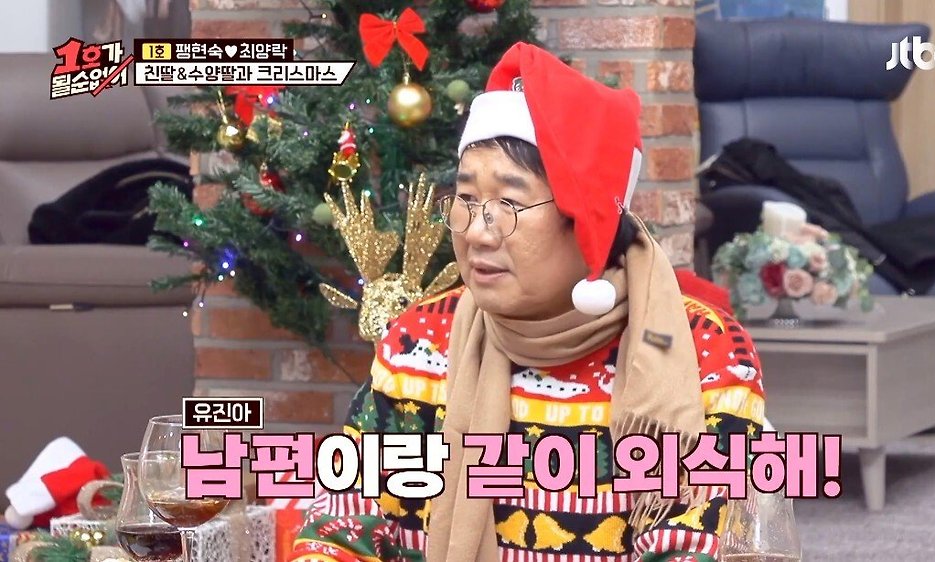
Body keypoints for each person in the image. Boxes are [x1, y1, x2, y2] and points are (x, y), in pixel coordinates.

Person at [290, 42, 765, 562]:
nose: (477, 232)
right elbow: (339, 524)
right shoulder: (419, 342)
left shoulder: (702, 351)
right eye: (466, 200)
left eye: (509, 203)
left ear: (586, 223)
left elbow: (700, 547)